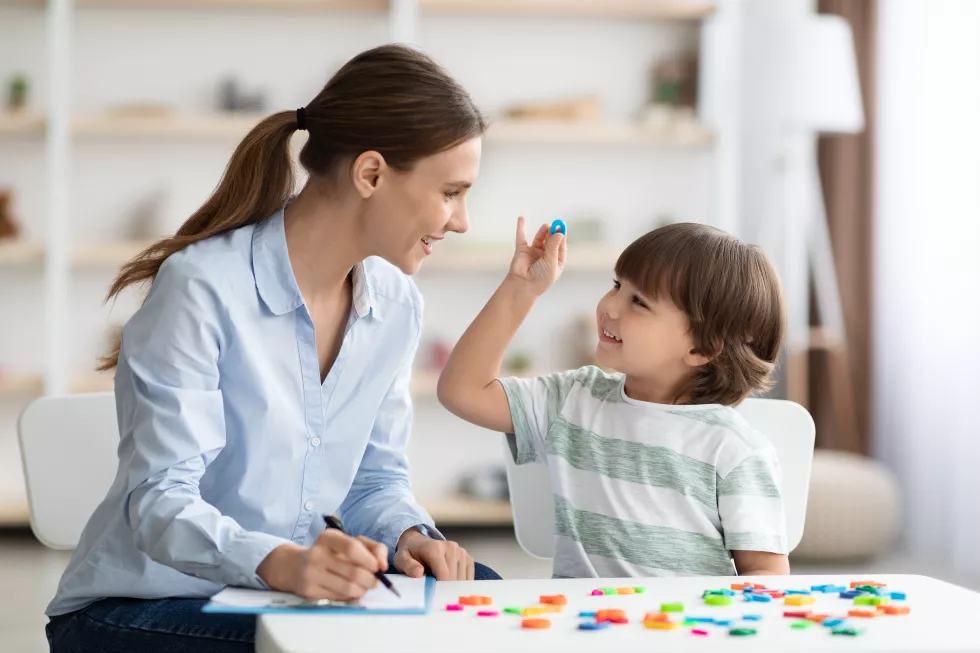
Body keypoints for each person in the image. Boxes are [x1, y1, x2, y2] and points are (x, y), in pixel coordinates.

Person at [45, 44, 499, 653]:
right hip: (142, 604)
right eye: (451, 192)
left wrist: (410, 537)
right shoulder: (203, 287)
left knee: (482, 601)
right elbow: (159, 502)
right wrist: (280, 563)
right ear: (370, 174)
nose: (462, 220)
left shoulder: (395, 303)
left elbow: (373, 478)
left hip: (290, 596)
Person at [438, 219, 791, 579]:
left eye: (639, 301)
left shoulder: (734, 449)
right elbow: (461, 391)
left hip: (684, 631)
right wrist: (521, 290)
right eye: (617, 285)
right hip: (580, 626)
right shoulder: (572, 400)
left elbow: (765, 574)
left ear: (701, 347)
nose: (609, 306)